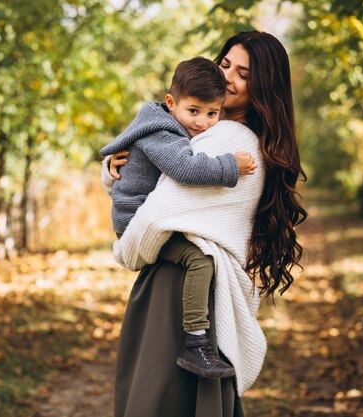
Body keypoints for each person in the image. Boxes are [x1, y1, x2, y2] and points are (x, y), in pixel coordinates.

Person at [102, 31, 307, 417]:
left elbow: (157, 210)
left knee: (160, 399)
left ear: (264, 86)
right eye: (225, 64)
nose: (228, 77)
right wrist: (115, 169)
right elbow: (147, 165)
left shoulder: (227, 139)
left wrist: (126, 247)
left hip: (176, 286)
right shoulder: (210, 130)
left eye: (243, 73)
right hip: (191, 282)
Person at [99, 56, 257, 379]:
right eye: (194, 112)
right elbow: (186, 169)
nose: (201, 123)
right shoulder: (164, 132)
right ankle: (195, 343)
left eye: (212, 114)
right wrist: (231, 167)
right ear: (171, 103)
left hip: (142, 212)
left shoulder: (172, 120)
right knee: (201, 260)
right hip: (135, 221)